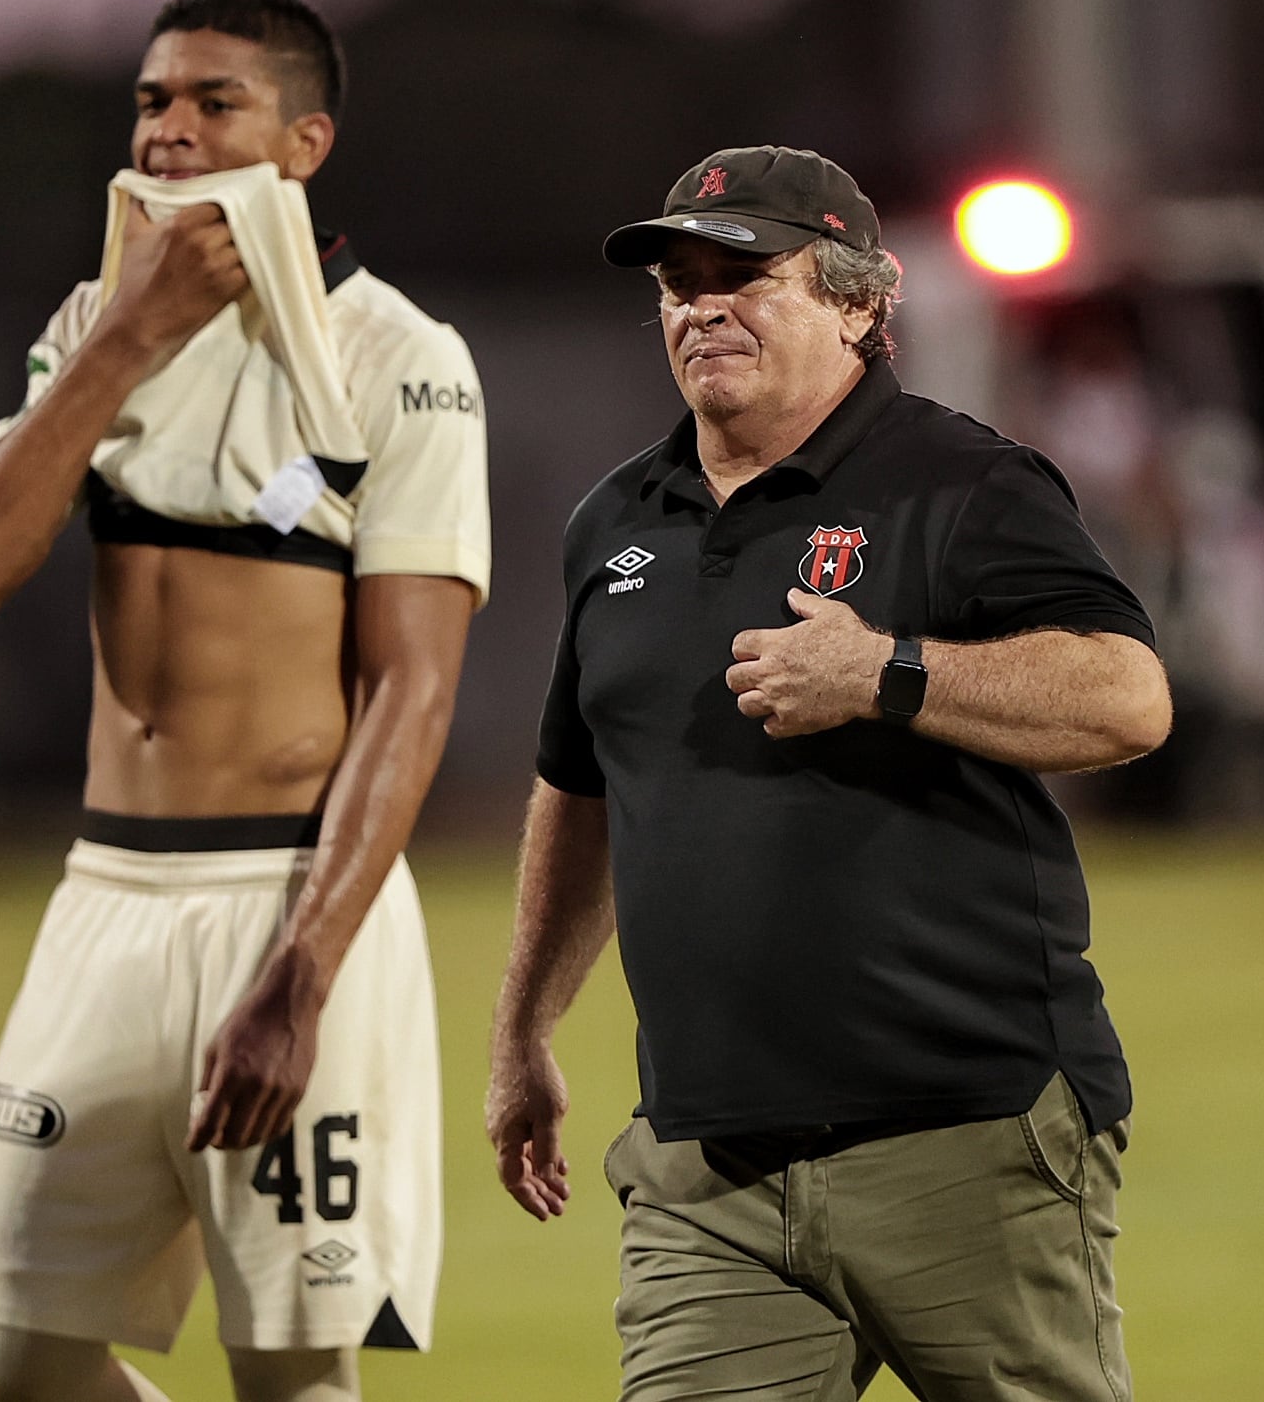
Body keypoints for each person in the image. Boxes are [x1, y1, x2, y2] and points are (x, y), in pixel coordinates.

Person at [485, 145, 1171, 1402]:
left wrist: (891, 674)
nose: (702, 304)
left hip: (963, 1136)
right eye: (679, 280)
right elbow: (581, 785)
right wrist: (524, 1027)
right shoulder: (615, 521)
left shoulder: (963, 482)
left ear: (860, 301)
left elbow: (1127, 698)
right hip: (708, 1172)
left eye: (745, 271)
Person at [0, 0, 489, 1402]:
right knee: (16, 1365)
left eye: (211, 102)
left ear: (302, 142)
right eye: (149, 101)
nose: (168, 129)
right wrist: (121, 339)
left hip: (284, 898)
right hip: (104, 892)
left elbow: (412, 695)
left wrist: (299, 976)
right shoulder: (89, 320)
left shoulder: (401, 360)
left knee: (291, 1375)